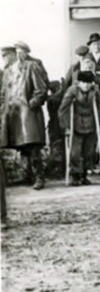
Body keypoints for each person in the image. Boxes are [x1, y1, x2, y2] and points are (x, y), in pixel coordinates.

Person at [0, 42, 49, 190]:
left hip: (28, 112)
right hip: (13, 113)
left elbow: (41, 88)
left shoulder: (30, 66)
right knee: (21, 146)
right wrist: (3, 108)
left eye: (5, 55)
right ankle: (27, 175)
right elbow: (3, 92)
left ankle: (40, 176)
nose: (3, 59)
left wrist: (32, 103)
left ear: (14, 54)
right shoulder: (7, 72)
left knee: (33, 144)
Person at [58, 71, 100, 186]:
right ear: (79, 82)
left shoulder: (95, 90)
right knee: (75, 153)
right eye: (84, 83)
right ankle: (75, 175)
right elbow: (63, 109)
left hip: (91, 124)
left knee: (89, 153)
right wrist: (65, 126)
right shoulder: (72, 90)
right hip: (76, 124)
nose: (86, 85)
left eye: (88, 83)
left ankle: (84, 175)